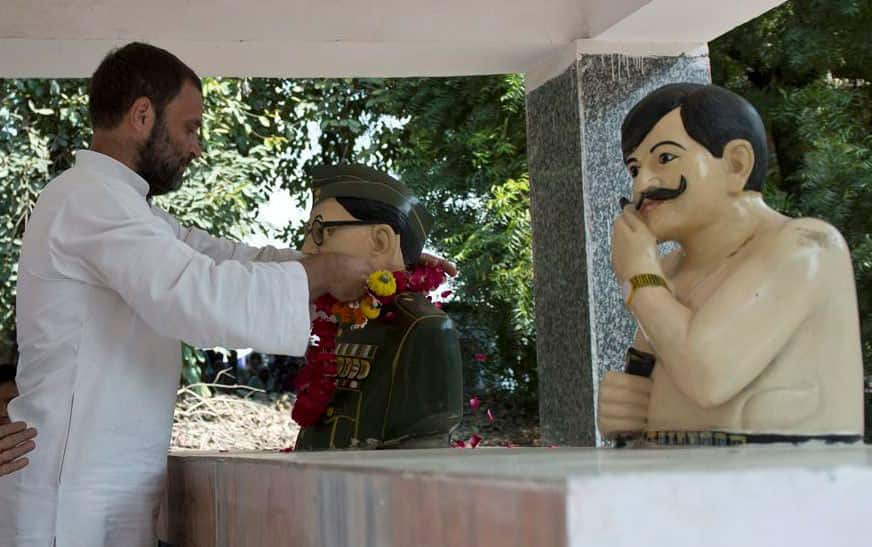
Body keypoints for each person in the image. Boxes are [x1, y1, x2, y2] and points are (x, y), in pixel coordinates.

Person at [0, 42, 375, 546]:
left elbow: (221, 258)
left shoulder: (129, 209)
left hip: (93, 491)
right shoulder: (88, 198)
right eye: (190, 126)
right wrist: (323, 273)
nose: (197, 148)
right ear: (141, 115)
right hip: (68, 501)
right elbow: (192, 293)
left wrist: (342, 267)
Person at [598, 83, 864, 447]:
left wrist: (640, 276)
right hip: (674, 487)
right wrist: (627, 411)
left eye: (664, 159)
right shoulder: (669, 270)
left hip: (782, 489)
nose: (643, 184)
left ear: (737, 163)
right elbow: (646, 389)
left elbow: (708, 376)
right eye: (634, 168)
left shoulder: (806, 246)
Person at [294, 165, 463, 450]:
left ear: (382, 241)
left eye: (321, 231)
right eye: (309, 231)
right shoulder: (339, 316)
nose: (307, 247)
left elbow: (423, 438)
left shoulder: (423, 326)